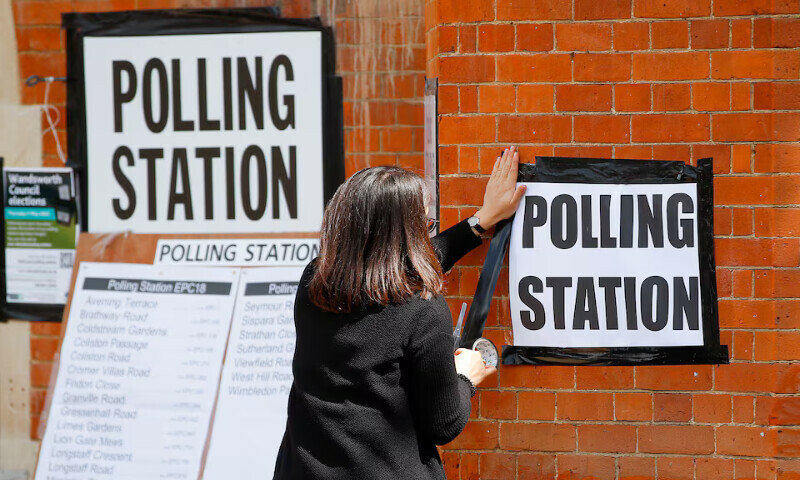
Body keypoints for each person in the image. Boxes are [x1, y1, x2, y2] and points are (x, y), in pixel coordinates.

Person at [273, 147, 527, 480]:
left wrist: (479, 222)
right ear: (406, 234)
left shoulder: (316, 282)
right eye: (426, 224)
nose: (429, 231)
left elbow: (390, 267)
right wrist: (466, 375)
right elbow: (444, 424)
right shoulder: (423, 310)